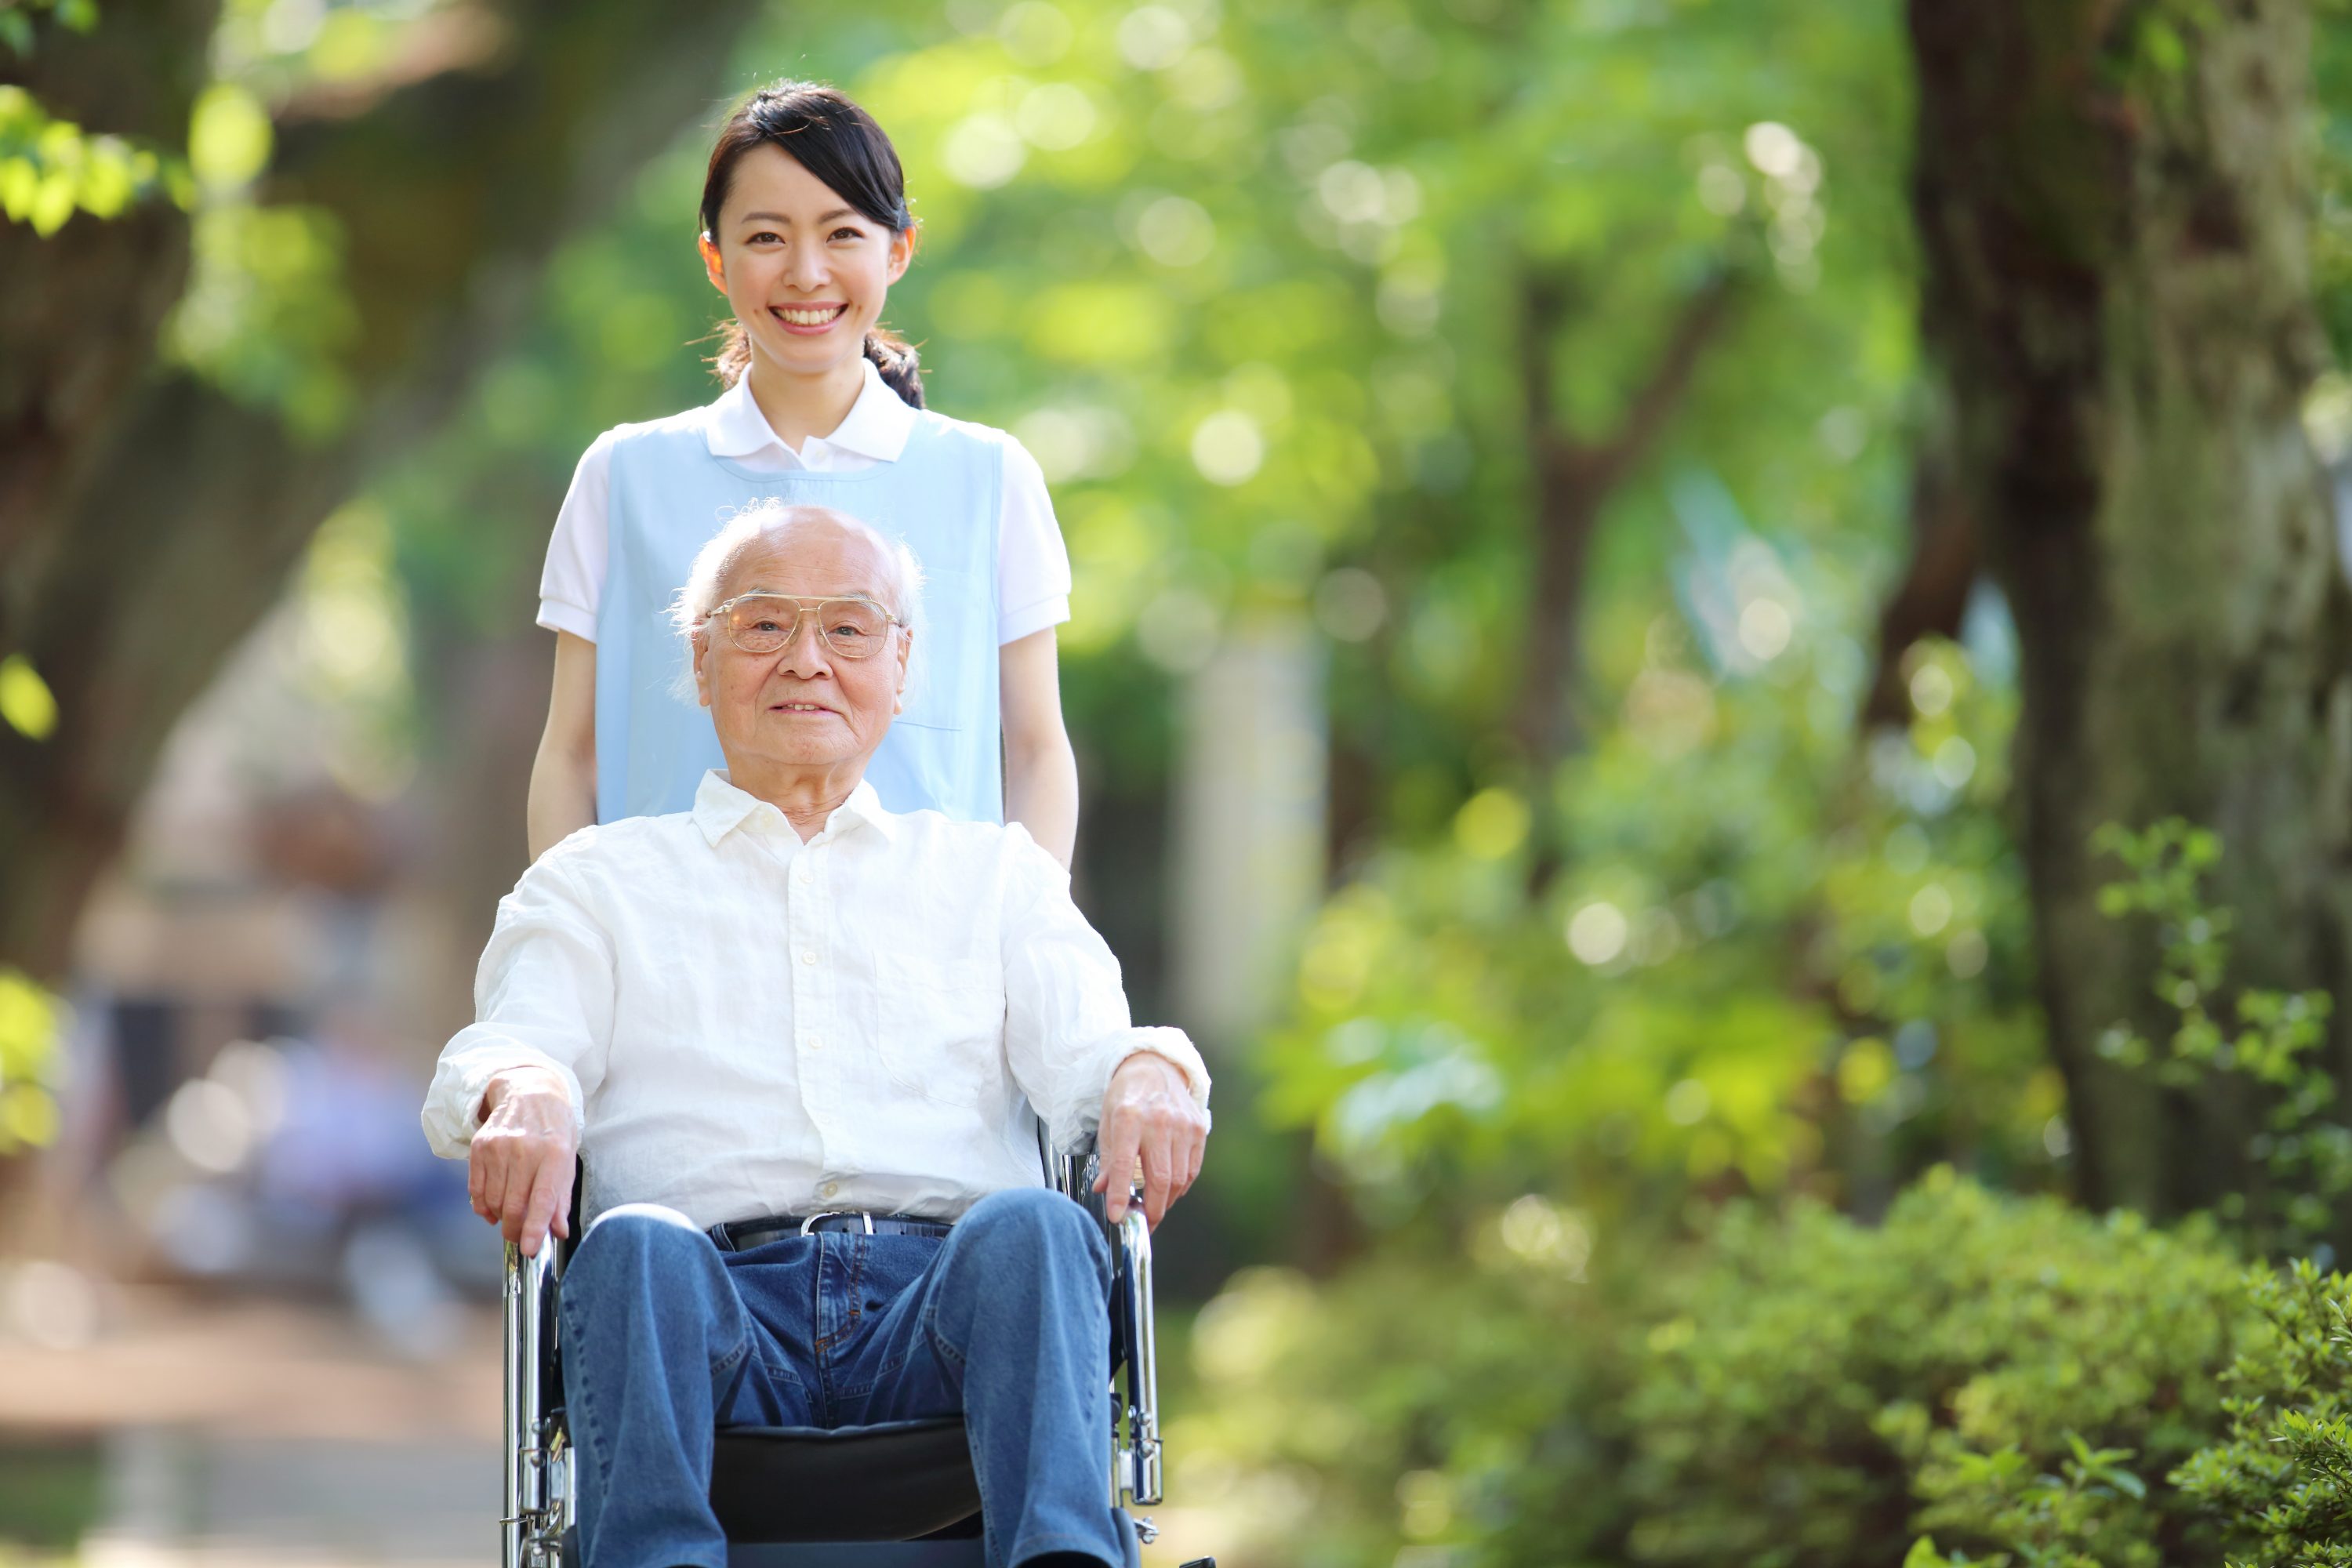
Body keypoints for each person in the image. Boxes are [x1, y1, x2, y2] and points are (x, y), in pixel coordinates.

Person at [422, 503, 1210, 1568]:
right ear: (702, 664)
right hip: (703, 1314)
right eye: (761, 627)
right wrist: (526, 1089)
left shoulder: (993, 875)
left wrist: (1152, 1070)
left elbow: (1096, 1052)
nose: (807, 661)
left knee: (1036, 1228)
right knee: (634, 1245)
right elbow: (507, 1044)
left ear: (903, 666)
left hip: (945, 1316)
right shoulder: (597, 882)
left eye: (848, 629)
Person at [528, 81, 1080, 864]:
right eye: (766, 238)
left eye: (842, 233)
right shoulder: (624, 477)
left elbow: (1035, 752)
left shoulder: (988, 478)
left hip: (917, 964)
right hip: (678, 961)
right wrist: (573, 944)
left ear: (898, 249)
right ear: (715, 260)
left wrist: (1023, 946)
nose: (807, 273)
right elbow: (571, 754)